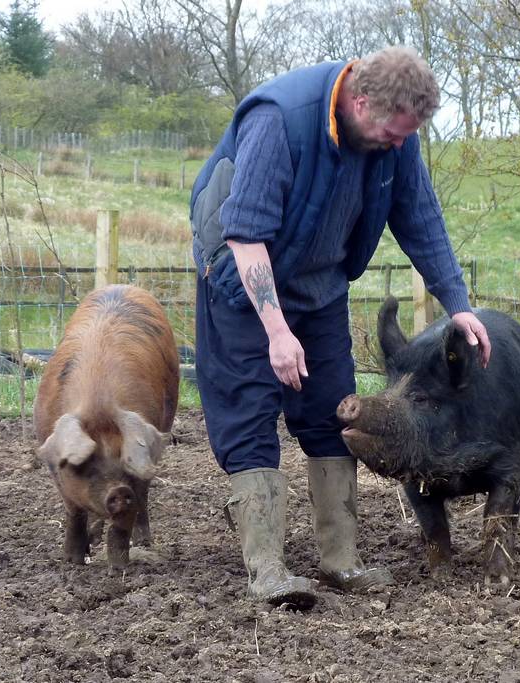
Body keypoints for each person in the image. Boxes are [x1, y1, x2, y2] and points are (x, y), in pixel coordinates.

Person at [190, 46, 491, 609]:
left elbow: (419, 214)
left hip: (319, 283)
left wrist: (458, 303)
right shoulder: (277, 121)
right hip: (242, 279)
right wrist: (277, 331)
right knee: (251, 410)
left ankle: (339, 561)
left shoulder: (395, 138)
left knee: (332, 409)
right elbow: (245, 235)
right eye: (392, 132)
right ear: (359, 101)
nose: (398, 144)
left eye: (407, 135)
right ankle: (267, 570)